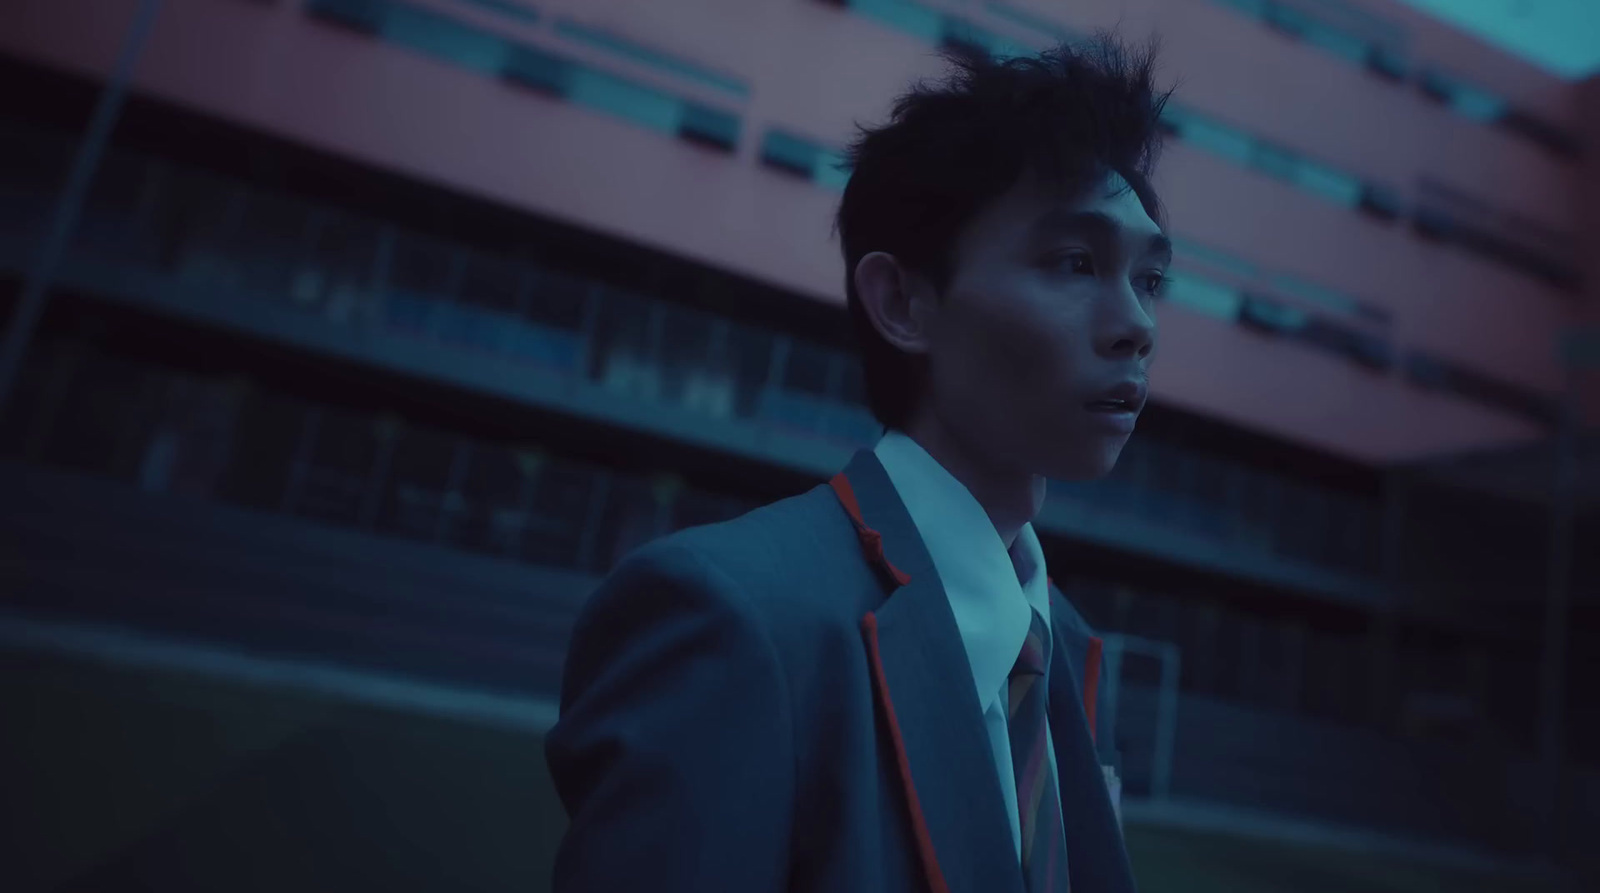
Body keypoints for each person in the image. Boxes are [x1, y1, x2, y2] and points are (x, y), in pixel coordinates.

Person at [546, 33, 1173, 893]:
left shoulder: (1061, 640)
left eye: (1151, 279)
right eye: (1076, 262)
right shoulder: (732, 617)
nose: (1137, 323)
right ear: (902, 302)